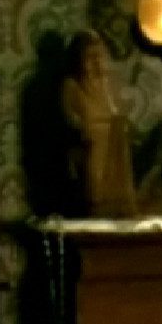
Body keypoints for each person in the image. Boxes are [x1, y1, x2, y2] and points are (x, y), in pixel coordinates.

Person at [60, 30, 138, 217]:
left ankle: (118, 201)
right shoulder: (72, 86)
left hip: (110, 136)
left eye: (99, 56)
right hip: (91, 139)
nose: (96, 63)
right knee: (94, 170)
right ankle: (96, 201)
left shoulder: (103, 84)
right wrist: (83, 127)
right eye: (90, 57)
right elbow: (70, 117)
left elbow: (112, 111)